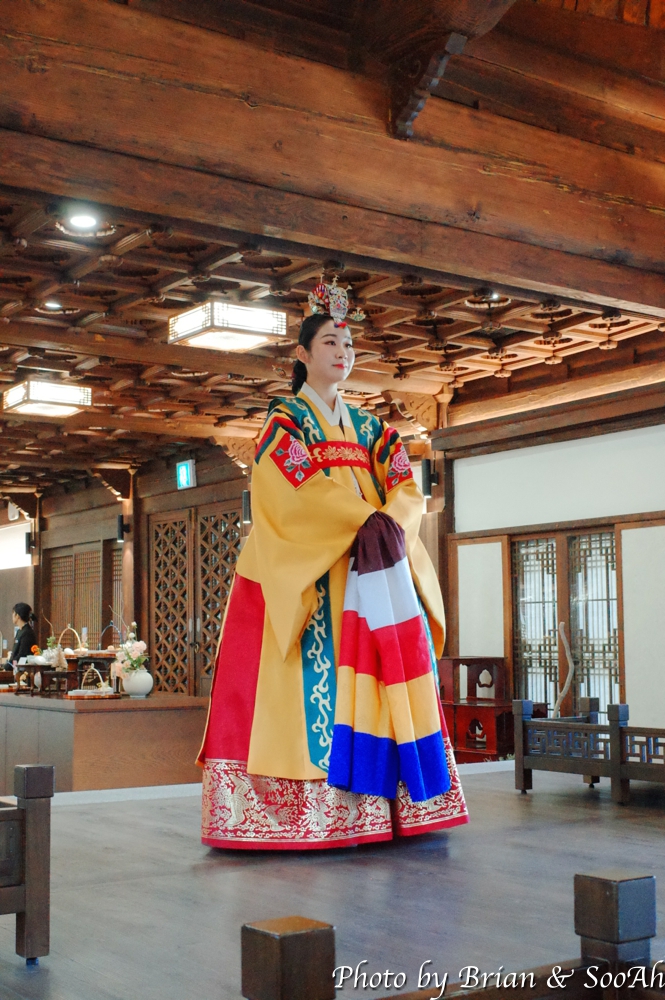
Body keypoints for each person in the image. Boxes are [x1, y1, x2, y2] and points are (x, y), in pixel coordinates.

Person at [198, 312, 468, 849]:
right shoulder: (284, 422)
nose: (342, 352)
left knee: (379, 674)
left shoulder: (373, 429)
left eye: (347, 343)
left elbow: (405, 487)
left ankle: (388, 805)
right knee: (299, 678)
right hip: (311, 568)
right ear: (302, 354)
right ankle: (304, 813)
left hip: (370, 569)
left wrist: (387, 525)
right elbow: (290, 485)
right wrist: (361, 520)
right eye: (329, 342)